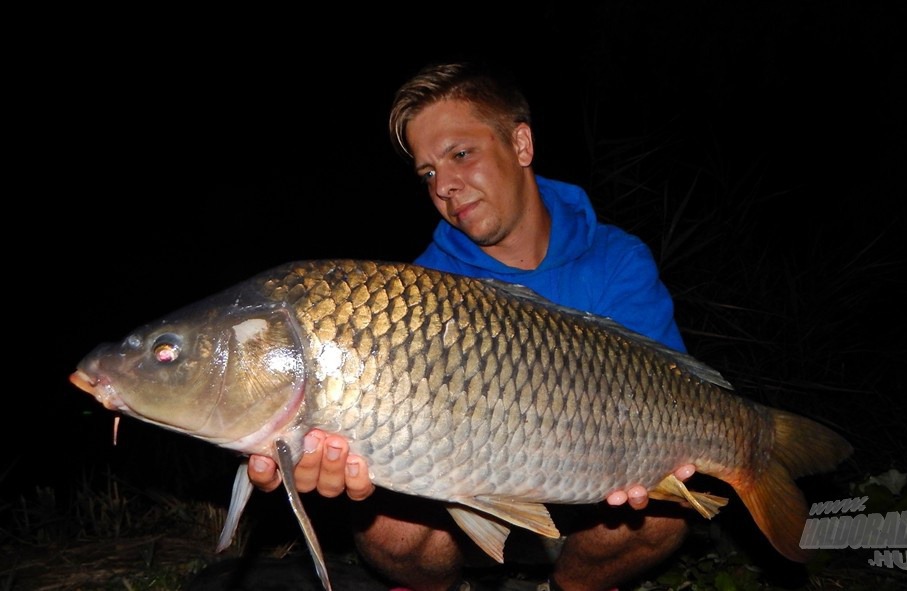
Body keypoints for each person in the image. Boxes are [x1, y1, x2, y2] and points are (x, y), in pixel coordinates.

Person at [247, 61, 697, 591]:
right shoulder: (417, 297)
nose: (446, 186)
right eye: (429, 172)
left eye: (461, 154)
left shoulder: (618, 261)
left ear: (521, 144)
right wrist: (311, 451)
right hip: (464, 514)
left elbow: (673, 387)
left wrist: (657, 464)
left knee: (664, 515)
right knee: (388, 526)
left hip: (589, 501)